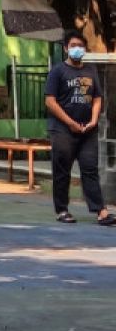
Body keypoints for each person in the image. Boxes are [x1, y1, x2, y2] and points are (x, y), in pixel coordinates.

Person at [44, 31, 115, 225]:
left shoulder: (91, 71)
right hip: (62, 130)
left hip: (87, 130)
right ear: (66, 48)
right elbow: (50, 101)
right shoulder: (58, 72)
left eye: (81, 46)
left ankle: (100, 211)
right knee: (62, 170)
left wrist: (93, 120)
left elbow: (97, 98)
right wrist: (70, 123)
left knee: (90, 169)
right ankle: (62, 210)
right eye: (74, 45)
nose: (78, 49)